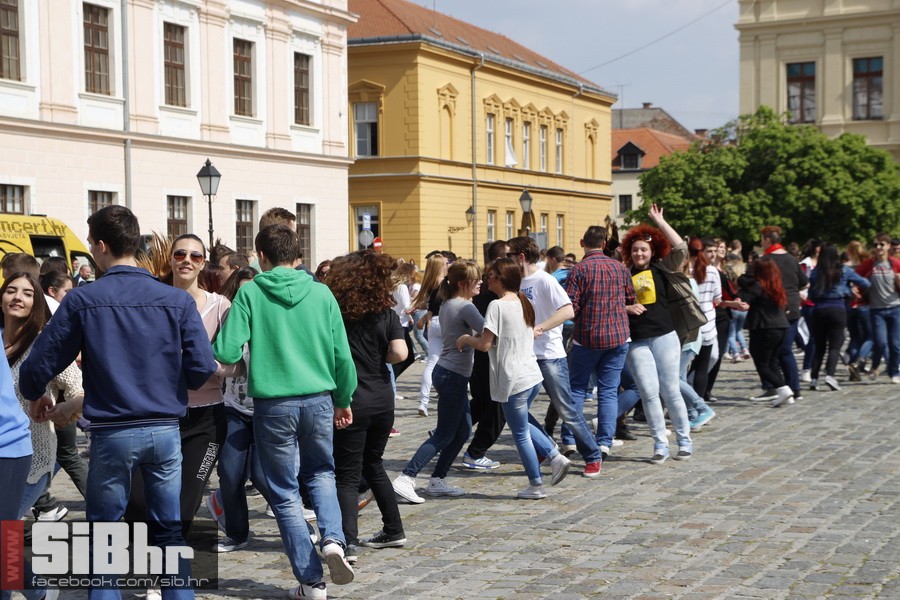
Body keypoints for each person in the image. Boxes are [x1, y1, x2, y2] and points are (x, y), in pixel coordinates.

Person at [19, 204, 216, 600]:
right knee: (169, 530)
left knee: (105, 533)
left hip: (112, 431)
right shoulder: (175, 302)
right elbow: (200, 370)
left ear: (103, 246)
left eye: (92, 244)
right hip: (164, 430)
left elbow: (38, 365)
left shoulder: (82, 300)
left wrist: (36, 390)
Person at [213, 224, 357, 600]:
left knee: (283, 492)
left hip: (274, 404)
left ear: (261, 256)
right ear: (298, 255)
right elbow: (343, 355)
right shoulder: (322, 293)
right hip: (319, 399)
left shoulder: (251, 293)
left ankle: (312, 582)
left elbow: (226, 353)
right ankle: (333, 541)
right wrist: (343, 398)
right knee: (322, 472)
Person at [457, 258, 567, 499]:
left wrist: (466, 339)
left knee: (520, 433)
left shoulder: (497, 305)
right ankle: (555, 455)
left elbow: (485, 345)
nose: (487, 279)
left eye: (491, 275)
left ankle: (536, 484)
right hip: (531, 376)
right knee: (521, 422)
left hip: (514, 378)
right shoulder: (523, 300)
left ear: (502, 278)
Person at [3, 272, 82, 600]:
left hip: (32, 456)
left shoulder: (43, 345)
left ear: (37, 302)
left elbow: (77, 385)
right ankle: (38, 590)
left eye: (27, 293)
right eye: (10, 290)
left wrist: (66, 409)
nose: (17, 297)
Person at [326, 251, 407, 564]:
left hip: (351, 398)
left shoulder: (336, 311)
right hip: (382, 398)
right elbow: (399, 353)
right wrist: (377, 358)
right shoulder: (386, 311)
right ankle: (394, 528)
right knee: (373, 464)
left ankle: (348, 542)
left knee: (346, 475)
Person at [392, 261, 485, 502]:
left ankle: (437, 480)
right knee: (444, 433)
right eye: (477, 280)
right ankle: (406, 477)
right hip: (452, 375)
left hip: (448, 372)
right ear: (464, 284)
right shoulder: (465, 307)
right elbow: (490, 333)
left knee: (462, 430)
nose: (481, 283)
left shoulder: (448, 303)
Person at [507, 235, 598, 477]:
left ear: (521, 256)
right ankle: (545, 447)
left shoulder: (544, 280)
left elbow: (568, 310)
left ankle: (593, 454)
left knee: (566, 409)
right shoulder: (516, 282)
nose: (506, 260)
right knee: (516, 410)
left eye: (509, 255)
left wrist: (541, 327)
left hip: (549, 355)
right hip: (524, 355)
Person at [619, 204, 692, 464]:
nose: (639, 253)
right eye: (635, 249)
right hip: (637, 341)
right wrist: (627, 306)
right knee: (649, 393)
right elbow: (613, 303)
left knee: (670, 389)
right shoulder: (623, 274)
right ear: (629, 251)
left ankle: (684, 441)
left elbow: (681, 248)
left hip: (664, 336)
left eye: (644, 249)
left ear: (652, 252)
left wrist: (660, 222)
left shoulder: (663, 268)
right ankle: (660, 444)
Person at [567, 225, 634, 470]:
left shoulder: (579, 270)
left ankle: (571, 438)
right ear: (605, 244)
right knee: (608, 392)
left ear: (582, 242)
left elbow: (571, 306)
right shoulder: (620, 268)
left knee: (576, 390)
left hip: (587, 338)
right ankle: (605, 441)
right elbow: (631, 299)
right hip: (617, 337)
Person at [739, 226, 809, 402]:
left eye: (762, 240)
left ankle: (775, 387)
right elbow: (804, 282)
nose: (761, 243)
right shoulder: (792, 260)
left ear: (767, 240)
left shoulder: (763, 261)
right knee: (785, 352)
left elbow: (748, 284)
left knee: (767, 354)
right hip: (790, 308)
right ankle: (794, 389)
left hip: (767, 312)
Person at [461, 240, 509, 470]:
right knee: (497, 408)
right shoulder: (493, 294)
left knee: (482, 403)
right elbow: (486, 333)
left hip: (482, 357)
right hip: (490, 356)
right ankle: (475, 451)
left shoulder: (485, 290)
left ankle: (452, 429)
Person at [807, 244, 870, 391]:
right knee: (835, 346)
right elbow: (865, 283)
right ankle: (830, 375)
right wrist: (849, 289)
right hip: (837, 309)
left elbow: (810, 294)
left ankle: (814, 379)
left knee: (820, 347)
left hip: (818, 310)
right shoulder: (844, 270)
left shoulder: (816, 272)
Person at [736, 260, 795, 407]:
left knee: (762, 363)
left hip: (765, 328)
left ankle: (783, 389)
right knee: (773, 361)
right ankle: (784, 393)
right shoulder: (776, 285)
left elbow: (745, 300)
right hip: (781, 327)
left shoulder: (758, 285)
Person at [856, 233, 900, 384]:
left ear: (888, 246)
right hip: (876, 309)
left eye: (881, 244)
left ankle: (894, 372)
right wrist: (854, 288)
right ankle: (875, 366)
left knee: (895, 344)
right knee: (880, 342)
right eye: (875, 245)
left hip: (895, 308)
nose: (878, 248)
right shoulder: (869, 264)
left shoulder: (895, 263)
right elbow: (855, 278)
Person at [410, 253, 449, 416]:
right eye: (447, 263)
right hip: (447, 324)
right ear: (440, 266)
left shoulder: (430, 284)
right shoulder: (446, 285)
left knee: (432, 363)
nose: (449, 265)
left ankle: (423, 402)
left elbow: (430, 309)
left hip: (433, 324)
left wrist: (425, 319)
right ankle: (446, 396)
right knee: (452, 362)